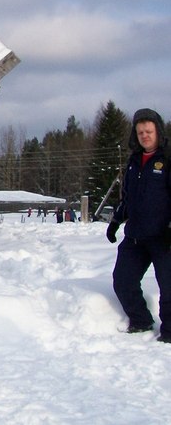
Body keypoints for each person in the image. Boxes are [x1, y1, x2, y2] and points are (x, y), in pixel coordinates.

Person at [106, 108, 171, 343]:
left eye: (149, 131)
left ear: (158, 131)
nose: (145, 135)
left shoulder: (167, 158)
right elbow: (128, 198)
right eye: (140, 131)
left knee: (169, 288)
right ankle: (141, 320)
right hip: (136, 237)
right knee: (122, 281)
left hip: (164, 237)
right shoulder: (134, 162)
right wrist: (115, 222)